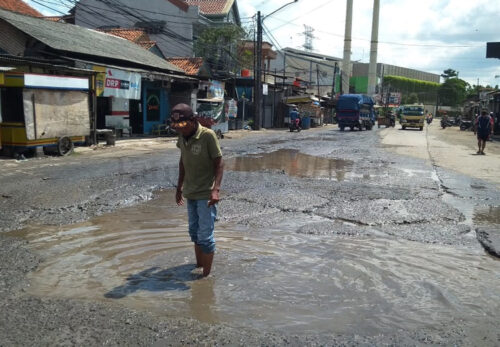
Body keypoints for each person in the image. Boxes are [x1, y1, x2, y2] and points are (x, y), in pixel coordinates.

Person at [172, 103, 224, 277]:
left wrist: (216, 189)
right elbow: (183, 161)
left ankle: (205, 280)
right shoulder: (181, 136)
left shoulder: (208, 136)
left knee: (205, 237)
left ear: (193, 121)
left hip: (206, 194)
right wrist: (179, 187)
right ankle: (199, 266)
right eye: (178, 127)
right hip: (190, 192)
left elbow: (219, 163)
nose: (181, 130)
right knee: (194, 233)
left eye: (184, 126)